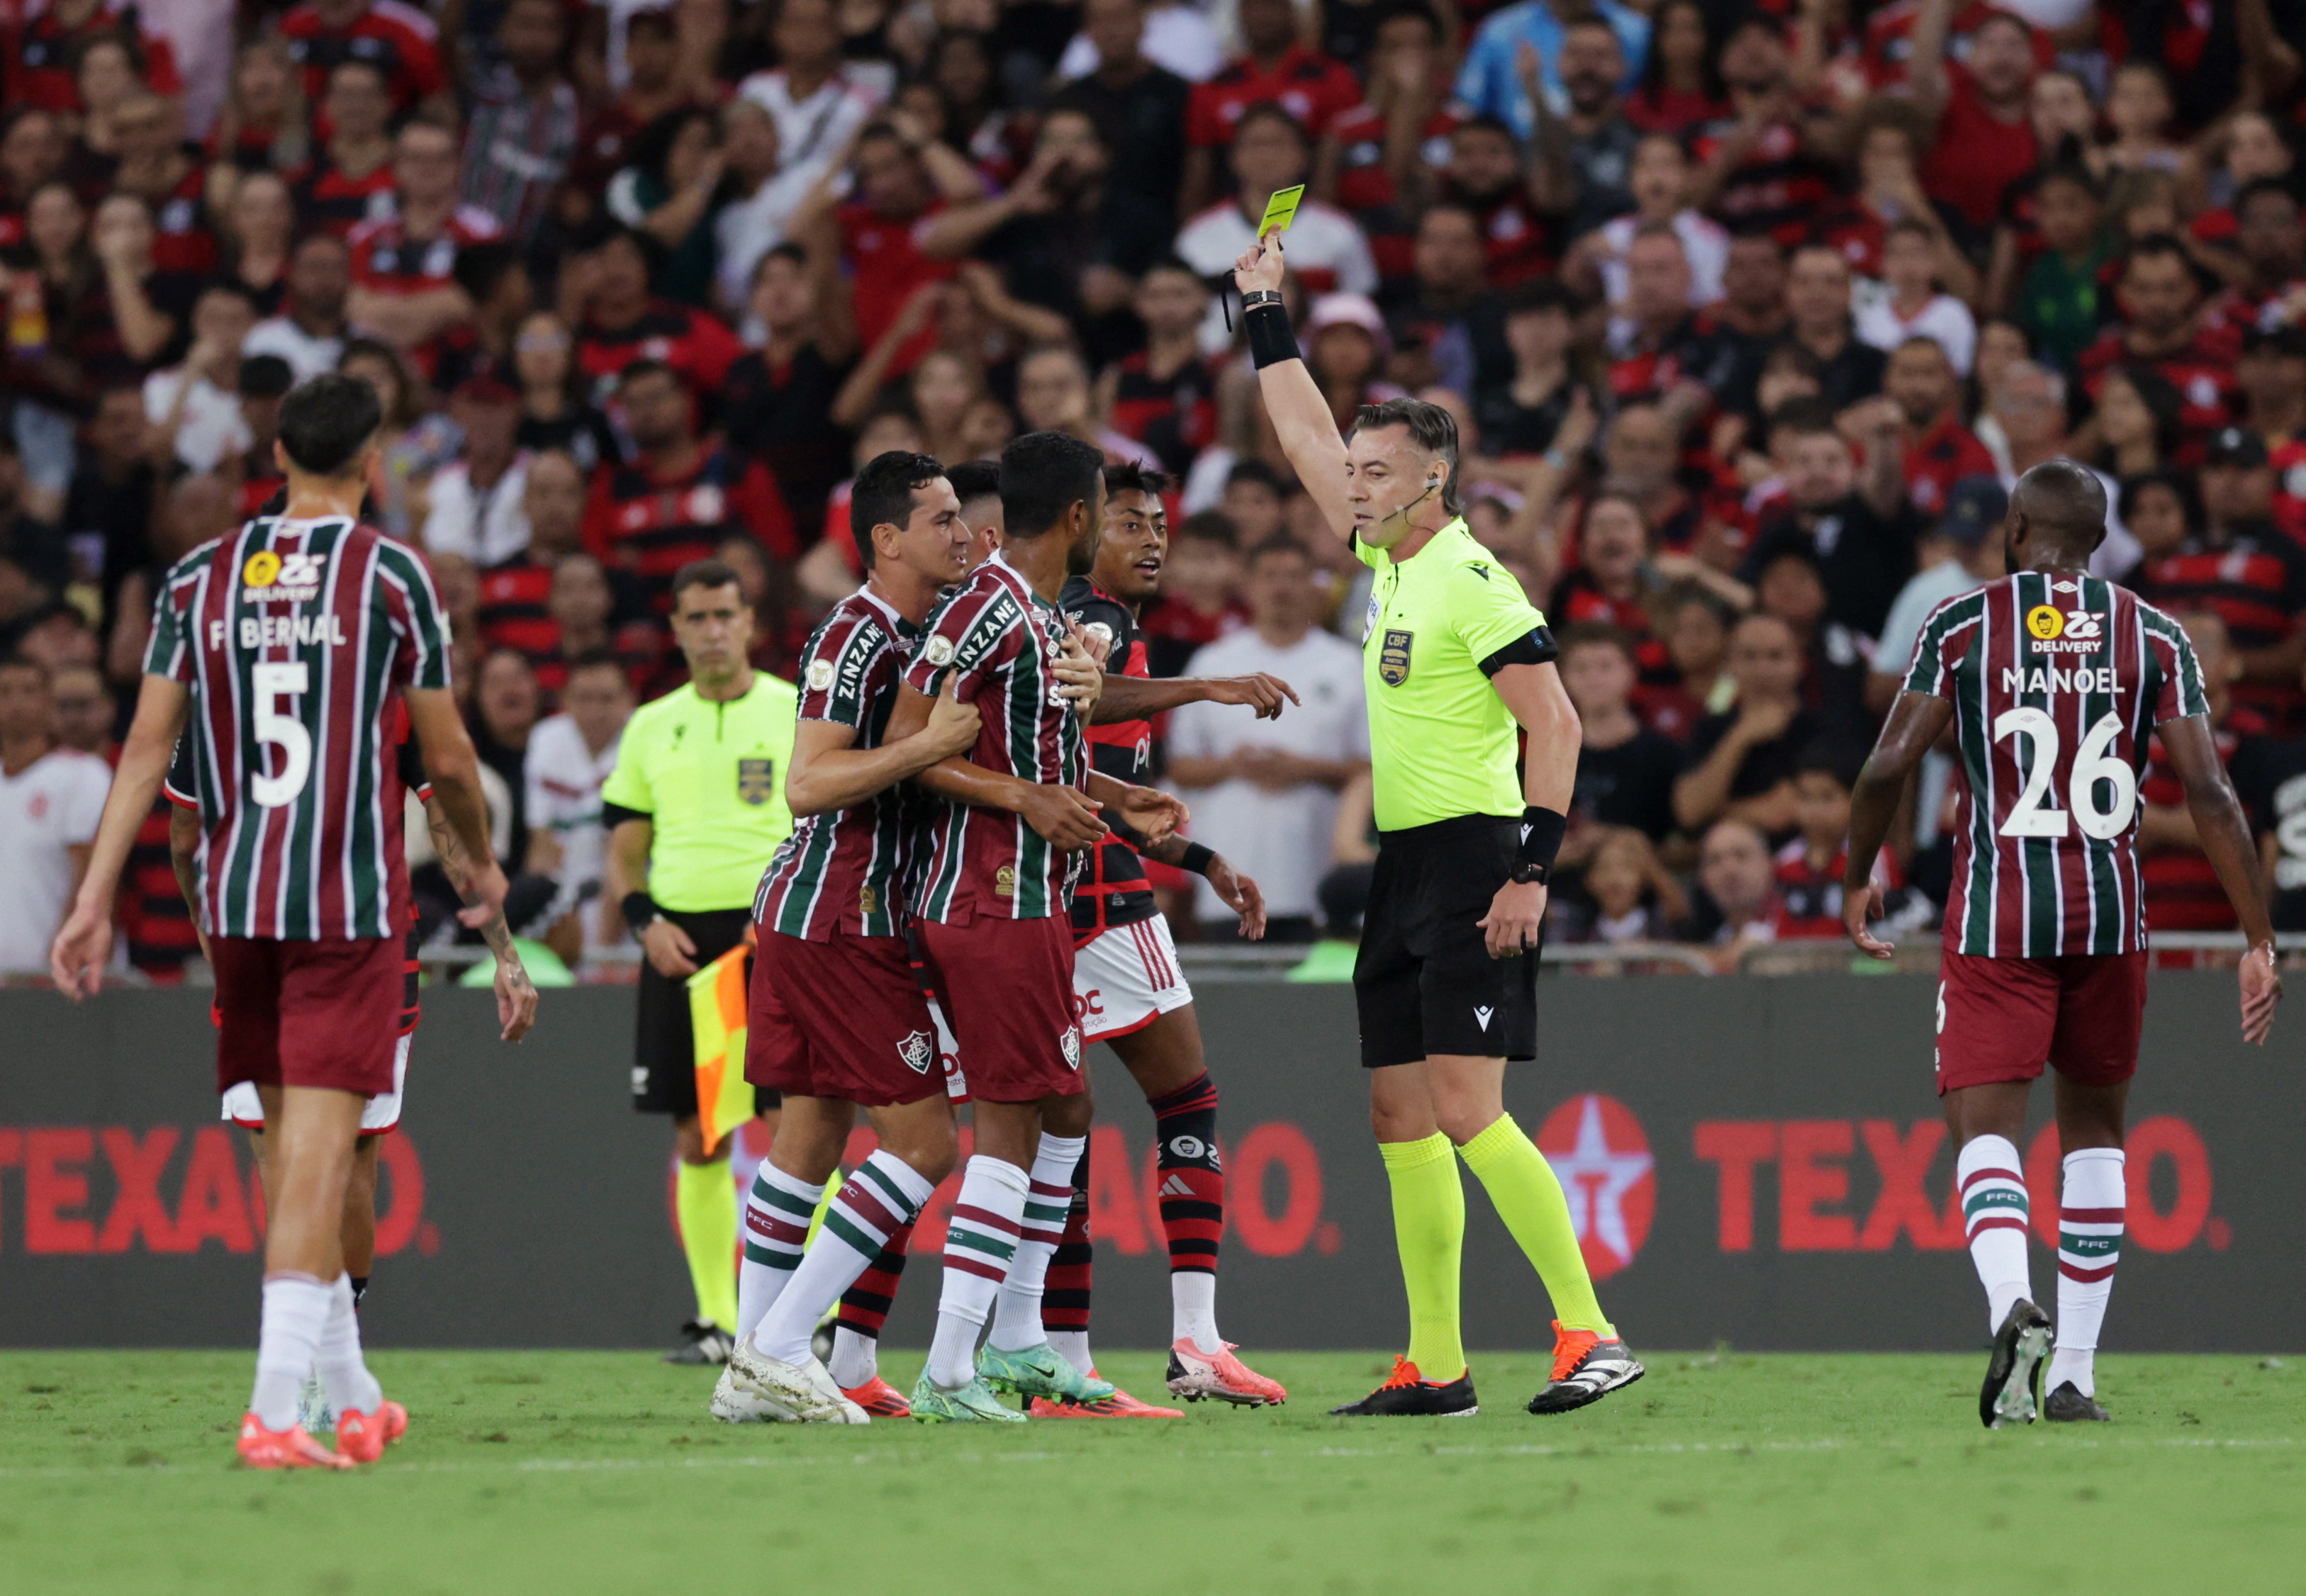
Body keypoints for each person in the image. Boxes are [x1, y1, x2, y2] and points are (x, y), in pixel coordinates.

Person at [50, 372, 510, 1468]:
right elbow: (447, 756)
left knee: (291, 1152)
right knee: (319, 1156)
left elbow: (146, 751)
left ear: (276, 454)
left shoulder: (196, 577)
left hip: (237, 908)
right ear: (373, 463)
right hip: (344, 907)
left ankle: (352, 1395)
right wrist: (485, 866)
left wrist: (93, 897)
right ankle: (271, 1409)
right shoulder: (391, 574)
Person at [1233, 231, 1642, 1418]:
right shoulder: (1388, 558)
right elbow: (1299, 434)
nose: (1352, 484)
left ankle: (1589, 1332)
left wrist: (1531, 872)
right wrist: (1264, 312)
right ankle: (1435, 1365)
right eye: (1356, 469)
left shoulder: (1469, 579)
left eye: (1375, 471)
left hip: (1475, 855)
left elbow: (1554, 724)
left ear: (1431, 481)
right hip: (1405, 862)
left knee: (1467, 1109)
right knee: (1399, 1115)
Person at [1843, 459, 2283, 1428]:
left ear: (2013, 529)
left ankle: (2013, 1305)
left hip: (1999, 916)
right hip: (2113, 918)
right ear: (2099, 539)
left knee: (1983, 1130)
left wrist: (1856, 874)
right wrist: (2258, 934)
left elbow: (1886, 763)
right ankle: (2075, 1372)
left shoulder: (1962, 622)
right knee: (2095, 1134)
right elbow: (2210, 793)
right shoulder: (2154, 633)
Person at [877, 429, 1185, 1420]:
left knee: (1068, 1109)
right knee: (1010, 1128)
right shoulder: (987, 607)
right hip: (990, 897)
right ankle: (948, 1372)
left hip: (1033, 899)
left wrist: (1113, 797)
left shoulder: (1037, 613)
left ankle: (1014, 1341)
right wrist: (1025, 802)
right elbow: (907, 748)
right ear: (1080, 515)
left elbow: (1027, 754)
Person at [172, 709, 537, 1437]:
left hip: (258, 939)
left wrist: (213, 941)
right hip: (367, 945)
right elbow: (447, 823)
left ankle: (314, 1379)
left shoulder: (220, 686)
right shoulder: (385, 687)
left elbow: (185, 836)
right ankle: (327, 1378)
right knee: (346, 1167)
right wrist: (505, 952)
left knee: (285, 1166)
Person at [715, 451, 988, 1424]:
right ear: (887, 539)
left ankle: (746, 1375)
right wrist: (924, 746)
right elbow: (807, 783)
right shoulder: (857, 632)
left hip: (815, 913)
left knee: (809, 1135)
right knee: (925, 1142)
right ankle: (785, 1343)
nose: (962, 532)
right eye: (942, 518)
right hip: (843, 910)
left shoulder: (925, 630)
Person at [1051, 463, 1294, 1412]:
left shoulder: (1090, 616)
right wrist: (1208, 687)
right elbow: (1086, 700)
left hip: (1046, 899)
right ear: (1086, 531)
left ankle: (1057, 1358)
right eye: (1128, 523)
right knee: (1186, 1100)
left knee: (1054, 1136)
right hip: (1102, 903)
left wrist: (1200, 860)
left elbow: (1088, 777)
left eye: (1159, 524)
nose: (1151, 539)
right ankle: (1194, 1340)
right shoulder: (1094, 619)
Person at [600, 558, 800, 1365]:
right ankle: (718, 1320)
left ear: (750, 621)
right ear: (677, 629)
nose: (713, 631)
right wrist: (643, 923)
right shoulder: (651, 725)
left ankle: (807, 1317)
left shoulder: (794, 709)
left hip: (775, 939)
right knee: (698, 1136)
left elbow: (828, 828)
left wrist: (785, 911)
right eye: (697, 618)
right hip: (680, 947)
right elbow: (624, 853)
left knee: (797, 1128)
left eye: (725, 614)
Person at [1166, 536, 1367, 941]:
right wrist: (1232, 766)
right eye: (1270, 576)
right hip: (1229, 874)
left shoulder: (1349, 666)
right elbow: (1179, 766)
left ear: (1316, 586)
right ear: (1248, 585)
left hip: (1317, 875)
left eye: (1294, 576)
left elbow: (1371, 770)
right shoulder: (1213, 663)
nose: (1281, 588)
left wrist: (1304, 769)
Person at [0, 655, 111, 974]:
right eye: (5, 692)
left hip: (55, 976)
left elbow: (94, 874)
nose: (16, 702)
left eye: (28, 691)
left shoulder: (83, 774)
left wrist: (60, 957)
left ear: (49, 704)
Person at [523, 651, 634, 962]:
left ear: (629, 699)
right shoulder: (546, 739)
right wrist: (546, 920)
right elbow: (541, 846)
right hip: (566, 903)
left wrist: (602, 956)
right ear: (565, 700)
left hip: (631, 901)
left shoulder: (644, 738)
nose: (595, 711)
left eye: (607, 699)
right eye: (584, 699)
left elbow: (626, 853)